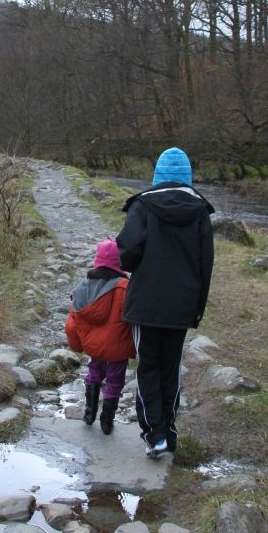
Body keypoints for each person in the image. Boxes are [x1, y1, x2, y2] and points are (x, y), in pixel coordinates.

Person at [116, 147, 214, 458]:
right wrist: (197, 309)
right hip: (181, 306)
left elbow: (127, 254)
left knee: (148, 368)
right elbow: (205, 266)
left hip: (146, 303)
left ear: (158, 174)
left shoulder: (142, 206)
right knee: (170, 370)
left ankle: (154, 433)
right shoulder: (200, 212)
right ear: (187, 176)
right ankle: (169, 432)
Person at [65, 238, 135, 435]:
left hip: (93, 347)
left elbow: (73, 319)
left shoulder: (85, 286)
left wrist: (77, 343)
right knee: (114, 381)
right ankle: (106, 420)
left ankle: (89, 412)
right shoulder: (124, 287)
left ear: (97, 260)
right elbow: (132, 318)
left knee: (94, 373)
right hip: (117, 349)